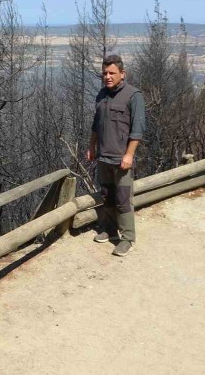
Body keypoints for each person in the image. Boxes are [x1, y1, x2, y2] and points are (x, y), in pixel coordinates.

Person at [86, 54, 145, 257]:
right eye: (105, 73)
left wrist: (129, 155)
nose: (108, 77)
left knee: (123, 199)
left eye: (112, 73)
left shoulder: (133, 95)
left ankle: (127, 238)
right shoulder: (101, 95)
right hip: (103, 156)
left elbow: (137, 130)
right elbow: (96, 125)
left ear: (122, 73)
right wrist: (92, 146)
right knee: (107, 195)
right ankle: (110, 230)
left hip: (121, 159)